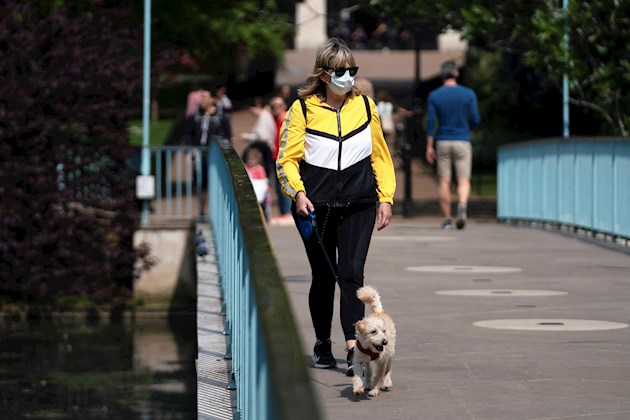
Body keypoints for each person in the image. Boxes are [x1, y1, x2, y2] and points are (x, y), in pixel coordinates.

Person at [276, 38, 396, 376]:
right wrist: (298, 193)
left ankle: (351, 345)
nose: (349, 77)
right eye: (341, 71)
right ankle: (321, 343)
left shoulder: (366, 106)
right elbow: (287, 160)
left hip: (359, 203)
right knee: (324, 276)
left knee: (351, 275)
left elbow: (381, 156)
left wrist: (385, 196)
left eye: (352, 70)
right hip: (315, 206)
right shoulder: (301, 110)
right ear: (324, 74)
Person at [425, 60, 481, 230]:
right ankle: (462, 204)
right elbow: (476, 119)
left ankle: (447, 219)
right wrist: (467, 129)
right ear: (457, 73)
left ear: (442, 75)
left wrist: (429, 146)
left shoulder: (434, 95)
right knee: (464, 181)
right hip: (462, 139)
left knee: (444, 181)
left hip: (443, 140)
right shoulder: (468, 94)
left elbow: (431, 123)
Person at [269, 96, 293, 225]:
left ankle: (287, 213)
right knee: (278, 187)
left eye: (279, 105)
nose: (277, 109)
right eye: (274, 106)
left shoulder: (287, 118)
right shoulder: (273, 120)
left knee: (285, 184)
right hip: (275, 156)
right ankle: (283, 212)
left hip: (285, 157)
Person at [240, 97, 276, 178]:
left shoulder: (264, 116)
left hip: (263, 152)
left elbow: (262, 137)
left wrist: (247, 137)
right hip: (266, 151)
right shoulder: (266, 115)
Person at [243, 145, 271, 221]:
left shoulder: (259, 169)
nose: (250, 161)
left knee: (263, 203)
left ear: (258, 160)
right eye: (249, 159)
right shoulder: (246, 168)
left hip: (259, 191)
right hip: (250, 190)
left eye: (253, 160)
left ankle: (264, 215)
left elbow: (263, 181)